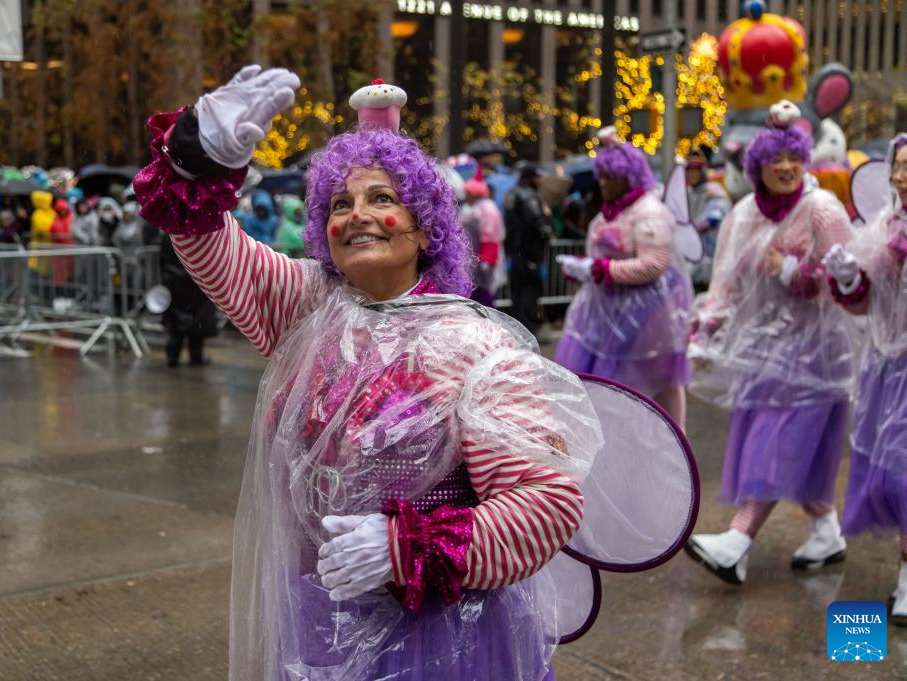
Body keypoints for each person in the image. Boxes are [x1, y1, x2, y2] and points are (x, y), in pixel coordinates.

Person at [135, 66, 607, 681]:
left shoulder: (474, 343)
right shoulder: (306, 308)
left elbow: (546, 503)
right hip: (318, 623)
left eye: (381, 198)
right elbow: (204, 243)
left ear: (424, 225)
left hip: (439, 638)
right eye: (340, 203)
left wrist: (403, 548)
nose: (356, 215)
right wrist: (200, 156)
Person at [684, 101, 858, 585]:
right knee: (792, 446)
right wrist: (705, 331)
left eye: (794, 159)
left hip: (816, 355)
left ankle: (737, 539)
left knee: (778, 444)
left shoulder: (821, 209)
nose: (785, 168)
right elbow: (724, 281)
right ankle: (826, 531)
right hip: (762, 352)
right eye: (774, 160)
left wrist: (793, 271)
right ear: (757, 166)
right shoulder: (743, 214)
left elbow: (850, 278)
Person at [821, 134, 907, 625]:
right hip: (886, 368)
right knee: (892, 472)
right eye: (897, 167)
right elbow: (861, 303)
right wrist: (849, 277)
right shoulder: (884, 224)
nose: (900, 177)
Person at [552, 127, 692, 427]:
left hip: (646, 318)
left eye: (610, 177)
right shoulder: (608, 214)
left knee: (643, 392)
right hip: (604, 316)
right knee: (600, 390)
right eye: (601, 176)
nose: (603, 184)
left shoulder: (649, 212)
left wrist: (601, 270)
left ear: (629, 176)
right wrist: (585, 268)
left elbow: (654, 264)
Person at [503, 163, 551, 336]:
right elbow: (537, 225)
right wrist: (547, 223)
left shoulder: (511, 194)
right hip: (529, 252)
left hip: (515, 252)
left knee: (517, 291)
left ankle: (518, 330)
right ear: (531, 178)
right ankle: (528, 330)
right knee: (530, 291)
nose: (541, 181)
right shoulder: (529, 196)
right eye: (538, 177)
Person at [158, 231, 219, 367]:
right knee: (197, 321)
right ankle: (195, 357)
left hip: (174, 282)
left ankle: (173, 357)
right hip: (196, 281)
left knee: (176, 321)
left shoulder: (169, 232)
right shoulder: (201, 233)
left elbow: (162, 261)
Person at [685, 145, 732, 289]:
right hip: (689, 254)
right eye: (690, 170)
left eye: (696, 170)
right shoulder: (685, 192)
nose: (693, 174)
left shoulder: (714, 191)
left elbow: (717, 214)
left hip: (711, 254)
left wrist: (697, 227)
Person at [460, 173, 506, 307]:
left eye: (468, 192)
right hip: (473, 259)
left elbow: (490, 235)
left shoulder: (487, 208)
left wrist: (487, 258)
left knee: (484, 296)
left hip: (482, 261)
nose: (466, 195)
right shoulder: (471, 207)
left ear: (475, 193)